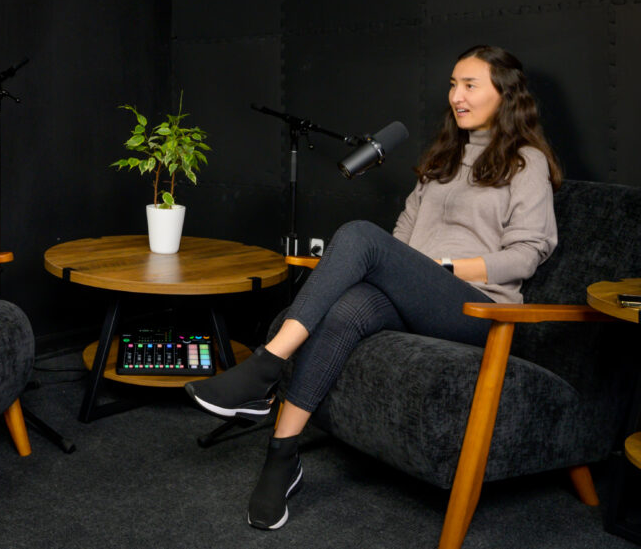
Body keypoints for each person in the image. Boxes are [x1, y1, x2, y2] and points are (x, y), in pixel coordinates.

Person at [185, 45, 562, 530]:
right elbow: (402, 237)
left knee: (361, 234)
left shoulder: (525, 163)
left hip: (479, 311)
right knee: (346, 312)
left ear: (506, 94)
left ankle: (264, 367)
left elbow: (526, 255)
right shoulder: (443, 158)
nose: (456, 96)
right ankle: (281, 457)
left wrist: (439, 271)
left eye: (470, 85)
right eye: (452, 84)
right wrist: (400, 269)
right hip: (413, 295)